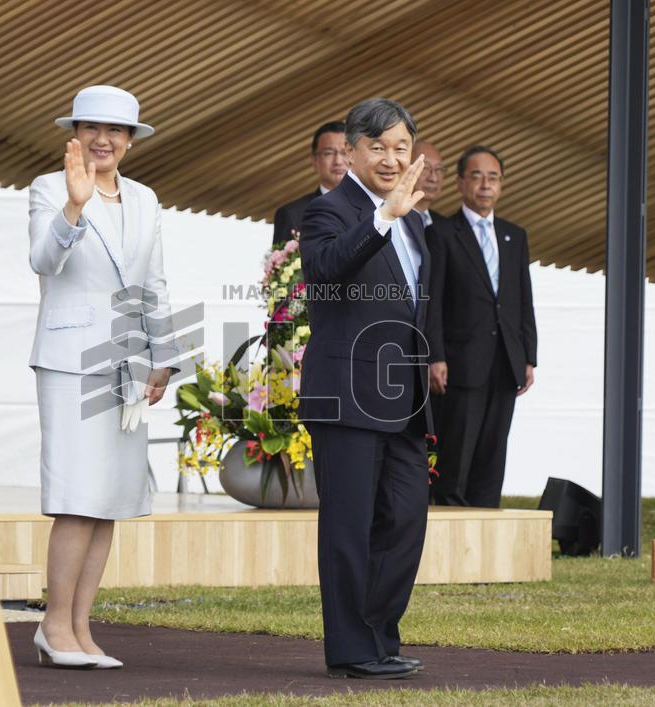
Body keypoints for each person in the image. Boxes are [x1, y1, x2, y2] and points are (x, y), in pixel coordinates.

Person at [27, 85, 179, 669]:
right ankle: (53, 625)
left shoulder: (145, 198)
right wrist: (74, 207)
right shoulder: (49, 187)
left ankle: (79, 627)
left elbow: (153, 282)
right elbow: (43, 261)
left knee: (109, 499)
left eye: (116, 130)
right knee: (77, 497)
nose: (103, 139)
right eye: (91, 127)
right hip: (70, 361)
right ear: (75, 133)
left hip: (127, 363)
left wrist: (163, 356)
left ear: (131, 141)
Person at [298, 98, 432, 680]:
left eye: (401, 147)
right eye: (377, 146)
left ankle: (379, 637)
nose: (390, 157)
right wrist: (382, 218)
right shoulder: (327, 210)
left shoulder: (417, 220)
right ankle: (353, 648)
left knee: (405, 520)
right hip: (346, 393)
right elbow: (327, 268)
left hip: (403, 396)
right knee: (348, 528)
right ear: (351, 151)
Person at [424, 145, 537, 508]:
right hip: (460, 364)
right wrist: (435, 356)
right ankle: (451, 526)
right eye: (477, 177)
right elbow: (432, 300)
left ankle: (486, 524)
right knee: (455, 459)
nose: (485, 185)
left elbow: (523, 299)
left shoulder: (514, 235)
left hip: (505, 361)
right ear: (460, 183)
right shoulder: (443, 233)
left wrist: (529, 356)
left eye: (493, 178)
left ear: (501, 184)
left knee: (492, 456)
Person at [271, 121, 348, 245]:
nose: (338, 161)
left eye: (345, 152)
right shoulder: (292, 215)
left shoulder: (376, 209)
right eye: (328, 153)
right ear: (314, 160)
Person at [411, 140, 447, 228]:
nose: (433, 178)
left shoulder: (445, 226)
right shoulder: (388, 218)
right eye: (425, 168)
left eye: (438, 169)